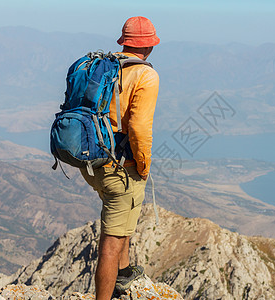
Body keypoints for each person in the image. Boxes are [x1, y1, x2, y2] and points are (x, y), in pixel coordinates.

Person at [79, 16, 160, 300]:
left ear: (124, 42)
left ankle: (124, 273)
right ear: (149, 46)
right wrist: (143, 164)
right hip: (119, 168)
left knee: (123, 218)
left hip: (91, 163)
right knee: (110, 244)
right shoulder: (146, 75)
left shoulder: (105, 66)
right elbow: (138, 128)